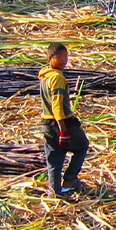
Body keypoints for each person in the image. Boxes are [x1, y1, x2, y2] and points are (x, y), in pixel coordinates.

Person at [39, 42, 88, 197]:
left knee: (54, 159)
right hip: (62, 123)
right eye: (59, 57)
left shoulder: (44, 76)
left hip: (46, 124)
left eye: (65, 56)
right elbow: (57, 106)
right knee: (82, 146)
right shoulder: (57, 78)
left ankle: (54, 193)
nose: (63, 60)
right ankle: (70, 180)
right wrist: (63, 131)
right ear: (50, 58)